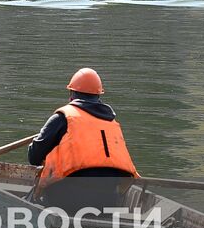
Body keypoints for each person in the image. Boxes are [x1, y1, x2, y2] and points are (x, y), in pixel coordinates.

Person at [27, 68, 139, 213]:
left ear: (71, 95)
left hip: (69, 201)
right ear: (98, 96)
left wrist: (37, 143)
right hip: (108, 202)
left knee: (35, 192)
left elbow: (34, 157)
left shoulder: (62, 118)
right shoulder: (111, 122)